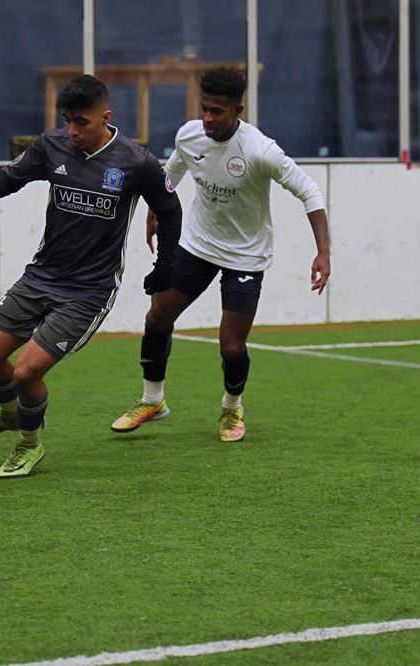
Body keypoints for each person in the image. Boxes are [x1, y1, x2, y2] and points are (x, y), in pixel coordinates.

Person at [0, 74, 183, 478]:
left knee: (26, 371)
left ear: (105, 118)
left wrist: (165, 266)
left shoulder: (137, 162)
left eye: (81, 122)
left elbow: (170, 210)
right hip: (41, 276)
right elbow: (15, 174)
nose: (72, 131)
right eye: (67, 121)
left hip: (88, 291)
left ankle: (29, 444)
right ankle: (11, 414)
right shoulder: (52, 146)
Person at [111, 67, 330, 443]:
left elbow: (309, 191)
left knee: (231, 345)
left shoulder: (260, 150)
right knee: (157, 317)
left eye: (217, 111)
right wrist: (155, 211)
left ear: (238, 110)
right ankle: (152, 401)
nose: (208, 118)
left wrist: (323, 252)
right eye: (204, 108)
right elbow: (173, 169)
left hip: (245, 255)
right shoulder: (190, 134)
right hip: (197, 245)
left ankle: (231, 408)